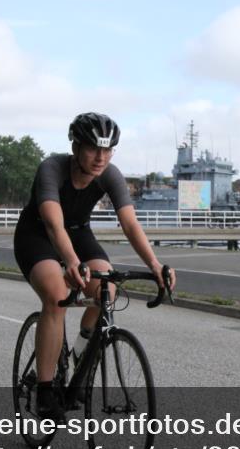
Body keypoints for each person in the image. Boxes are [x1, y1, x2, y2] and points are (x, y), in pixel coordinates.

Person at [13, 113, 175, 421]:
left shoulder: (109, 175)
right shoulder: (52, 168)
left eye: (108, 149)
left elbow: (129, 223)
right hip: (38, 234)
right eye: (92, 148)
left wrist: (154, 264)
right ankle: (45, 389)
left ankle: (78, 352)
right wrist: (72, 262)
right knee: (57, 293)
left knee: (107, 289)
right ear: (75, 146)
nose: (101, 157)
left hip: (78, 231)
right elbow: (52, 223)